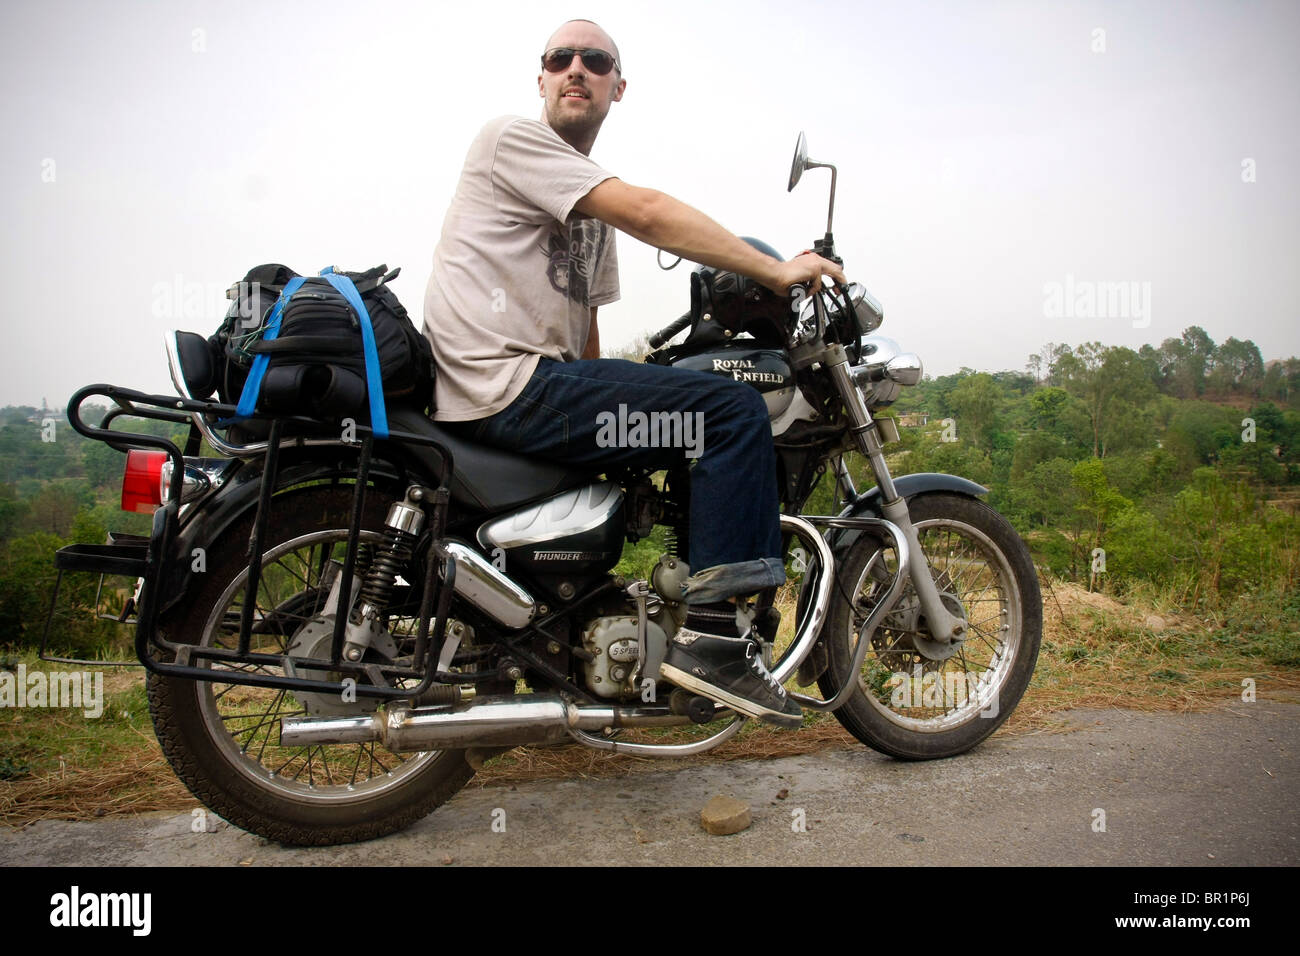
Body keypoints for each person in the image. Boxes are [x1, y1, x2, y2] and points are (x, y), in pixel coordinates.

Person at [422, 19, 844, 727]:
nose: (575, 69)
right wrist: (775, 270)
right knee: (730, 412)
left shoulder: (588, 214)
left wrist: (626, 402)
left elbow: (583, 330)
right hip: (505, 385)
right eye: (560, 58)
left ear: (619, 87)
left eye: (595, 60)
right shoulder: (511, 139)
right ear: (542, 79)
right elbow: (649, 211)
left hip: (540, 388)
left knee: (678, 408)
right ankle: (713, 643)